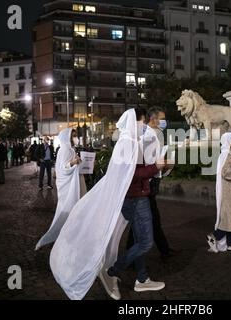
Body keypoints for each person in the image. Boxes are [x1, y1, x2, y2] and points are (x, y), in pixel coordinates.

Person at [50, 108, 167, 300]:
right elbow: (131, 175)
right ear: (134, 122)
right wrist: (156, 167)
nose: (145, 126)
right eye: (142, 122)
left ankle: (142, 279)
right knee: (146, 242)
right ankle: (112, 271)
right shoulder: (128, 143)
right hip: (136, 198)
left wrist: (157, 168)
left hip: (134, 197)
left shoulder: (128, 142)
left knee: (139, 240)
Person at [126, 107, 175, 261]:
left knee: (150, 219)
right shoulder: (148, 137)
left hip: (149, 182)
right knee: (147, 220)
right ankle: (131, 259)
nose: (164, 122)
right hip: (145, 184)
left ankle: (164, 250)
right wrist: (162, 165)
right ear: (153, 119)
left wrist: (164, 166)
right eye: (162, 118)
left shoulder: (154, 135)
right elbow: (146, 164)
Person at [36, 129, 85, 250]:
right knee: (68, 210)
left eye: (75, 135)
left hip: (75, 183)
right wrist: (73, 163)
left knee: (76, 209)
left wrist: (78, 162)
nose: (75, 138)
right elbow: (62, 169)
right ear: (66, 138)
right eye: (73, 136)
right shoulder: (64, 150)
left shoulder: (71, 149)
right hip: (68, 187)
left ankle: (73, 234)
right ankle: (67, 236)